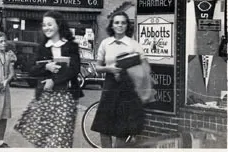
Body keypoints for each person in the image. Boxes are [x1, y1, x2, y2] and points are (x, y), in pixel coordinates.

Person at [14, 11, 82, 148]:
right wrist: (47, 66)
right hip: (45, 98)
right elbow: (32, 69)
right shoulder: (42, 47)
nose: (46, 28)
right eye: (44, 25)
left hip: (66, 97)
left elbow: (75, 69)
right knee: (43, 138)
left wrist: (54, 80)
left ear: (58, 25)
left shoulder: (71, 46)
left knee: (61, 138)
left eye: (50, 24)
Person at [91, 11, 150, 148]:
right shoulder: (105, 43)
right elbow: (98, 67)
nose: (120, 25)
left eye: (123, 23)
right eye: (116, 22)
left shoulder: (133, 44)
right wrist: (109, 69)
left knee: (121, 130)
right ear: (111, 25)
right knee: (103, 127)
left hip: (127, 89)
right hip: (110, 87)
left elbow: (144, 68)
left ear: (127, 25)